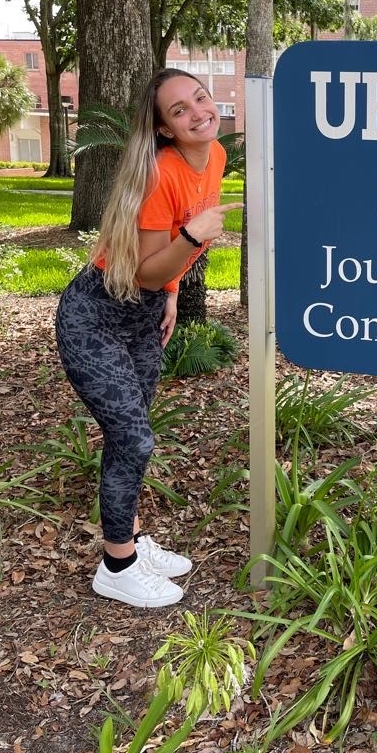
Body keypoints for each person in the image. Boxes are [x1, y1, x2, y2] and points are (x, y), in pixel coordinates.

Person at [55, 69, 243, 609]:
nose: (197, 111)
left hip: (142, 316)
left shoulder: (215, 160)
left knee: (128, 438)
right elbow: (143, 270)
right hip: (95, 316)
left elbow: (160, 271)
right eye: (179, 110)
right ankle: (116, 566)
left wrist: (172, 292)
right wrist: (190, 238)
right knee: (135, 439)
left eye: (200, 99)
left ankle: (132, 542)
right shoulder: (162, 171)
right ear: (164, 129)